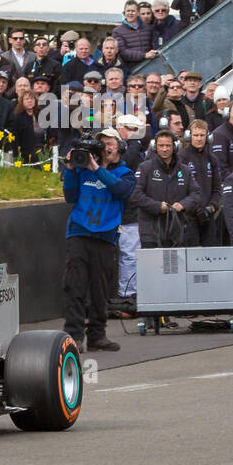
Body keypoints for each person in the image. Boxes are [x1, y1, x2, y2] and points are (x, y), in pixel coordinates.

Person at [62, 128, 135, 351]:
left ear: (120, 147)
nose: (106, 146)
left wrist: (96, 168)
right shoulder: (82, 169)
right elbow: (69, 196)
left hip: (106, 236)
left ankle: (97, 335)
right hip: (80, 233)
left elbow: (121, 190)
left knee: (100, 290)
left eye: (110, 142)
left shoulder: (125, 172)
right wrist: (70, 170)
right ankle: (73, 335)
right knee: (74, 286)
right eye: (102, 142)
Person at [132, 129, 201, 248]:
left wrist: (183, 204)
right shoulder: (145, 168)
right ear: (155, 146)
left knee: (176, 265)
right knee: (153, 265)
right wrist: (157, 206)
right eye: (161, 145)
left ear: (174, 146)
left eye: (168, 145)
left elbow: (196, 193)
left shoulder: (184, 170)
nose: (164, 149)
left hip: (177, 229)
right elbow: (135, 194)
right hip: (150, 230)